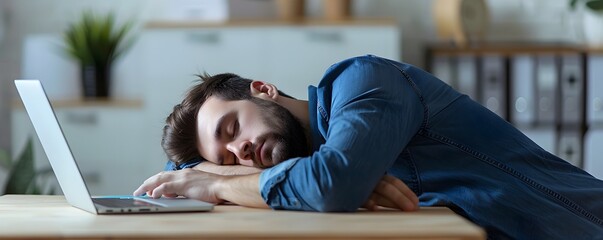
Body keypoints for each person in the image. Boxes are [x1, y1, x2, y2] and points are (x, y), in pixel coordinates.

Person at [134, 55, 603, 239]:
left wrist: (216, 184)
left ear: (263, 89)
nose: (239, 150)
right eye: (224, 158)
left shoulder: (362, 82)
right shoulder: (316, 156)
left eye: (232, 127)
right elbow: (181, 176)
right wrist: (346, 181)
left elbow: (331, 185)